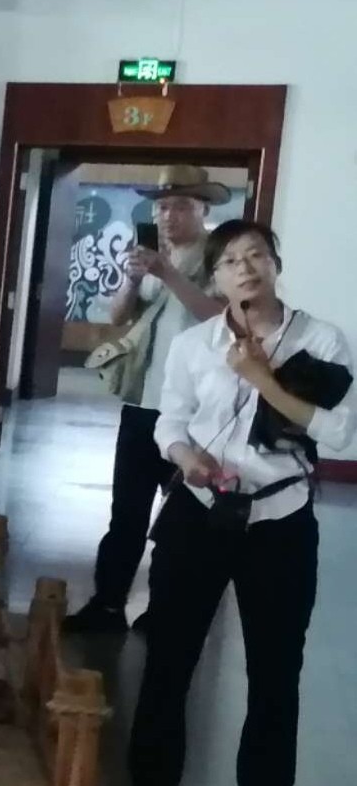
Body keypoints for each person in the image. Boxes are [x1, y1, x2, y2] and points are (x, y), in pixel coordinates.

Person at [106, 222, 352, 786]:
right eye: (232, 262)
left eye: (257, 256)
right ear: (213, 279)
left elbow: (338, 432)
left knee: (276, 667)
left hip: (281, 521)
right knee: (170, 656)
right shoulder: (192, 345)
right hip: (199, 512)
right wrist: (185, 457)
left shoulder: (321, 341)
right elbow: (171, 423)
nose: (246, 268)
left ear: (276, 264)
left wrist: (261, 376)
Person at [69, 166, 229, 634]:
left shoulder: (219, 259)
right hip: (143, 406)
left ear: (203, 209)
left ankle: (166, 612)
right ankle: (108, 603)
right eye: (161, 206)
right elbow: (119, 317)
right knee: (127, 512)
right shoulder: (154, 256)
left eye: (180, 205)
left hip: (197, 412)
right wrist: (136, 277)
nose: (168, 215)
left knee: (183, 521)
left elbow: (219, 318)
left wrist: (169, 274)